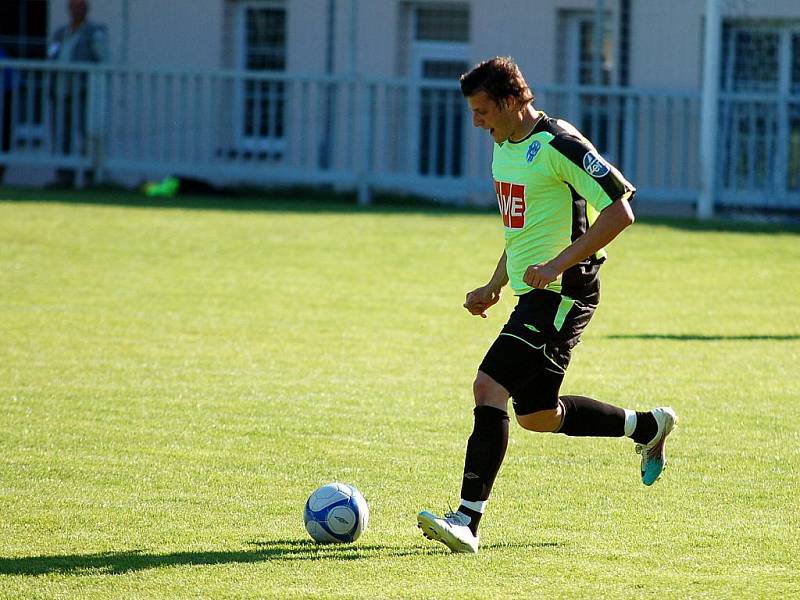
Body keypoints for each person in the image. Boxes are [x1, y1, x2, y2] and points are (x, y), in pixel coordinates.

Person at [417, 57, 677, 554]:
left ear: (513, 101)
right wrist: (495, 284)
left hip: (564, 294)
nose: (476, 122)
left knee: (487, 386)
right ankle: (647, 425)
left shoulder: (559, 144)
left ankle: (467, 521)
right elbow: (522, 232)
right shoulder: (503, 149)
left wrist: (557, 265)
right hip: (532, 294)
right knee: (536, 415)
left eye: (482, 110)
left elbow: (621, 210)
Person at [47, 0, 108, 187]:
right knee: (61, 135)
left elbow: (103, 57)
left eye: (80, 7)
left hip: (82, 93)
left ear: (87, 10)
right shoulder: (60, 33)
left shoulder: (94, 32)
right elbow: (51, 55)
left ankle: (90, 177)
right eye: (73, 7)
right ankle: (64, 177)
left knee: (86, 134)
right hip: (60, 91)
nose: (77, 10)